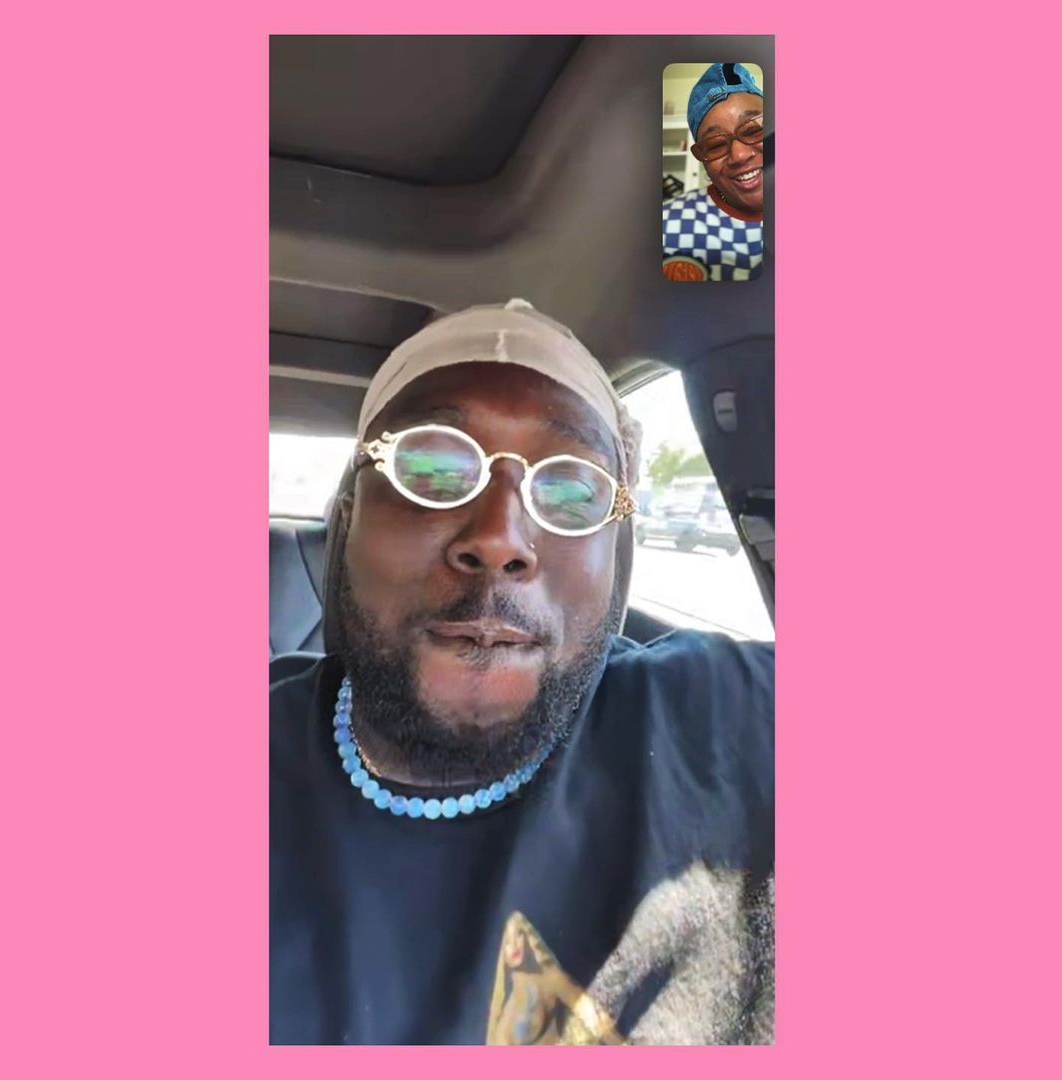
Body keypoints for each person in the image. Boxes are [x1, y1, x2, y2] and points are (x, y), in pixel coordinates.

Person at [270, 299, 774, 1044]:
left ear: (617, 554)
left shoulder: (731, 721)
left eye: (571, 492)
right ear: (349, 516)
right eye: (432, 468)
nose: (500, 538)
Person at [662, 63, 765, 282]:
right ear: (703, 162)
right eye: (715, 145)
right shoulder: (671, 226)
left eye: (754, 130)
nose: (739, 155)